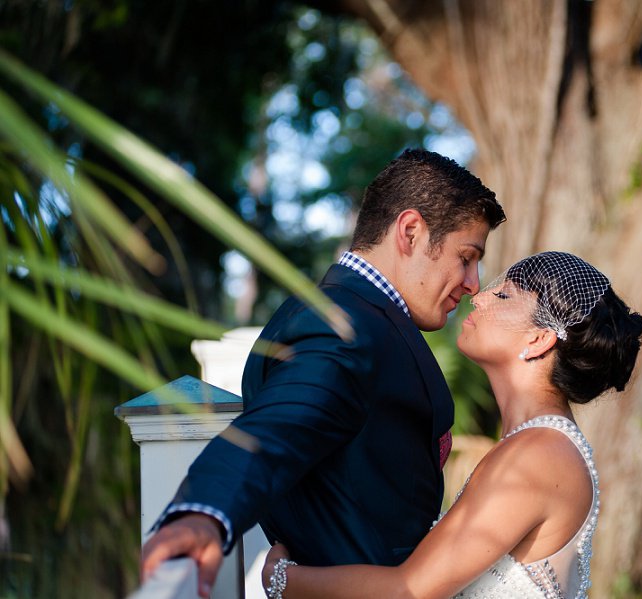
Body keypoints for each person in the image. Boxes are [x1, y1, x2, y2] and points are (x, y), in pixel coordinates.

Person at [140, 148, 506, 597]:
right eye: (466, 257)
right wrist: (204, 512)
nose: (473, 282)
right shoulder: (344, 326)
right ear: (410, 232)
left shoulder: (337, 313)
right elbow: (278, 427)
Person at [261, 251, 642, 599]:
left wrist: (281, 579)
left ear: (539, 338)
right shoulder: (537, 446)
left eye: (503, 296)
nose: (478, 296)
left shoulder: (539, 455)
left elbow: (406, 591)